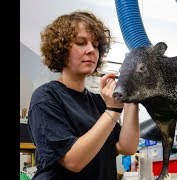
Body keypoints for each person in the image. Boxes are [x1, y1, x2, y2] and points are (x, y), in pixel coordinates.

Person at [27, 10, 140, 180]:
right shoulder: (46, 97)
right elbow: (73, 161)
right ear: (61, 50)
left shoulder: (97, 102)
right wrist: (112, 110)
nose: (91, 50)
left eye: (95, 45)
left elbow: (126, 147)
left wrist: (130, 99)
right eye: (81, 43)